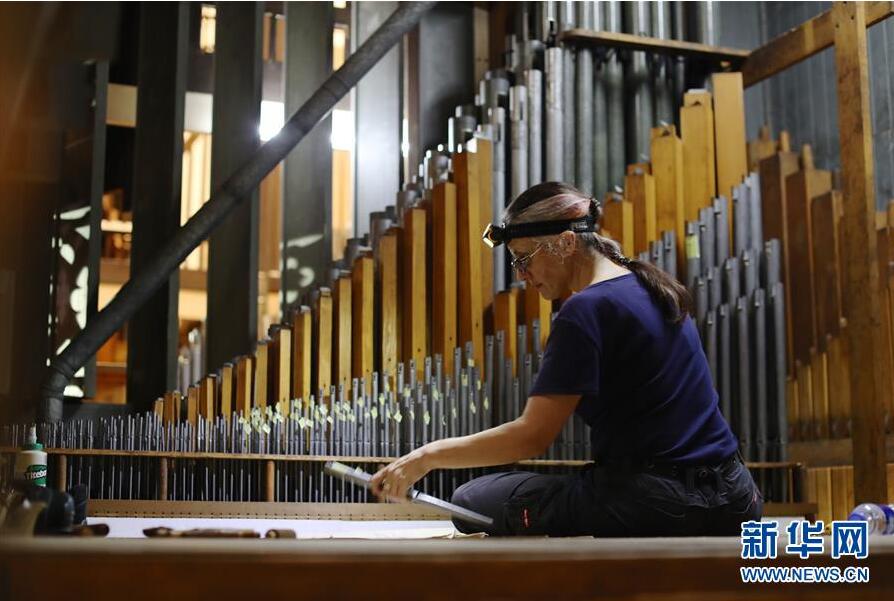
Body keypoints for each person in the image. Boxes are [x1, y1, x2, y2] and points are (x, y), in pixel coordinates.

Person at [371, 182, 762, 536]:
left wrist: (426, 456)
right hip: (737, 497)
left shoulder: (585, 309)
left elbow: (532, 436)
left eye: (524, 258)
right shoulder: (652, 286)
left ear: (565, 243)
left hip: (655, 503)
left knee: (471, 499)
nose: (521, 275)